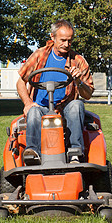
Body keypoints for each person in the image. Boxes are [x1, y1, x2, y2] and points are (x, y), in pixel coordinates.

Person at [16, 19, 94, 165]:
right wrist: (27, 103)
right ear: (53, 37)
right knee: (33, 111)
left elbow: (88, 94)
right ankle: (32, 152)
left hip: (65, 108)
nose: (66, 44)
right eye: (63, 40)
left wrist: (79, 82)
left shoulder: (78, 60)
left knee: (77, 105)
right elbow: (21, 81)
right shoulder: (39, 55)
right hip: (41, 108)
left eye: (70, 41)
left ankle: (75, 153)